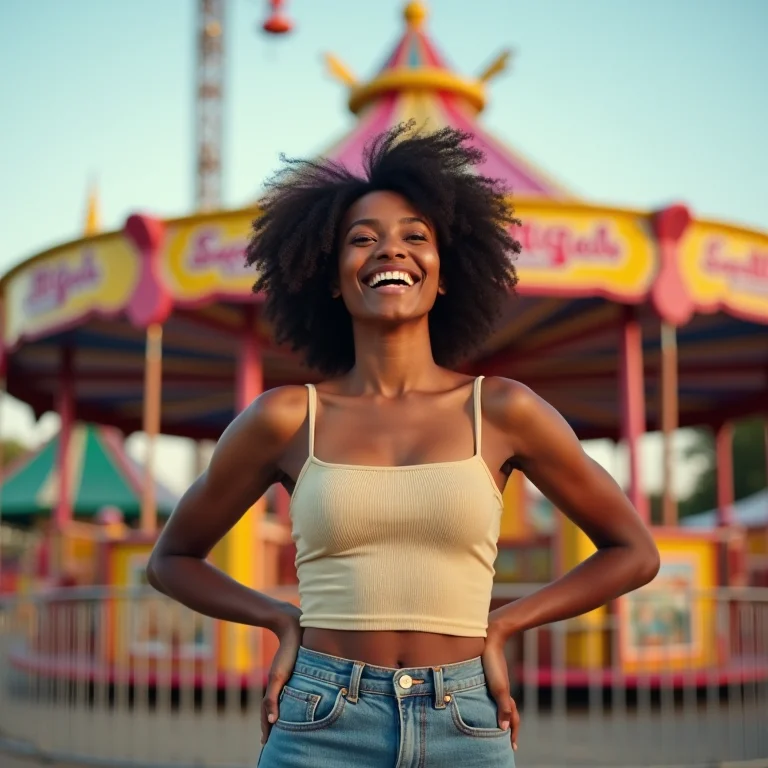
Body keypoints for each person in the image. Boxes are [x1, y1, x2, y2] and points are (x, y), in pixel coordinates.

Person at [146, 124, 660, 767]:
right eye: (362, 239)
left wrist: (505, 623)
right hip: (321, 719)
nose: (391, 250)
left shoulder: (502, 410)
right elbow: (171, 560)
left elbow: (634, 552)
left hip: (465, 721)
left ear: (444, 273)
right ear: (332, 277)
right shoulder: (285, 418)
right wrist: (279, 618)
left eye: (416, 236)